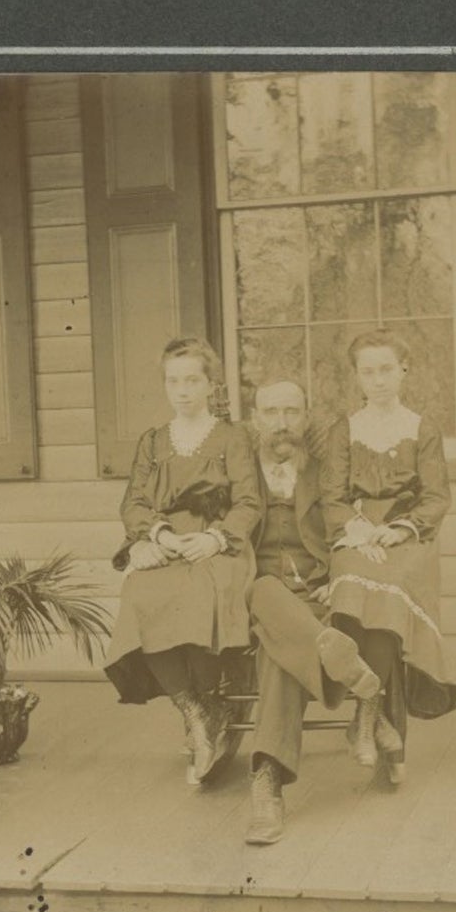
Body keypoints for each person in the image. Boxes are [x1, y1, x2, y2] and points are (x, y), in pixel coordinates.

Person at [103, 336, 263, 785]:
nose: (183, 390)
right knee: (139, 593)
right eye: (174, 381)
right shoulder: (153, 442)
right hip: (170, 542)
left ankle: (212, 700)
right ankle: (197, 708)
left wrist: (216, 538)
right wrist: (159, 534)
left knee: (203, 592)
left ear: (211, 384)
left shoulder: (233, 438)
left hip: (219, 545)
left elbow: (249, 502)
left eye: (193, 380)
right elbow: (133, 503)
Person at [321, 329, 456, 785]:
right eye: (368, 371)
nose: (378, 379)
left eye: (386, 369)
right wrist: (361, 532)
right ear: (357, 378)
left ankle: (365, 716)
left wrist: (398, 528)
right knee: (360, 585)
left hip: (407, 539)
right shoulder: (343, 430)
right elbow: (332, 496)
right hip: (357, 536)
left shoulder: (421, 429)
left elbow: (436, 498)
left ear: (403, 371)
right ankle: (371, 716)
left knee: (390, 591)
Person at [242, 379, 381, 846]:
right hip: (251, 590)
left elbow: (347, 523)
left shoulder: (324, 471)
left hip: (311, 595)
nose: (281, 424)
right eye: (270, 413)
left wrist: (337, 576)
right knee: (265, 590)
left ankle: (267, 781)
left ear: (307, 417)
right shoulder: (236, 471)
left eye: (292, 412)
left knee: (278, 656)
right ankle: (354, 676)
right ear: (254, 418)